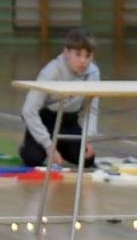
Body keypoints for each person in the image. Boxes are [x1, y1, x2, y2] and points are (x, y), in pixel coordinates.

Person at [20, 27, 101, 169]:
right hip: (47, 120)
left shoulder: (93, 74)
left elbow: (91, 110)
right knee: (32, 159)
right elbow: (28, 110)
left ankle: (62, 146)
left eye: (87, 56)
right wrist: (47, 144)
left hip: (69, 122)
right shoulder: (51, 71)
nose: (83, 61)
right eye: (78, 55)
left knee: (87, 160)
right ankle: (34, 145)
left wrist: (88, 139)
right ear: (66, 52)